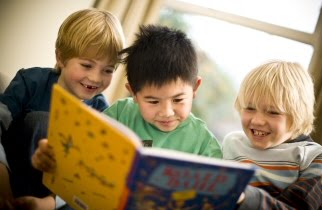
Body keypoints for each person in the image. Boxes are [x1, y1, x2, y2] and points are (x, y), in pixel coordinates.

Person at [32, 25, 222, 175]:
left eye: (178, 100)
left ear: (195, 87)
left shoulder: (205, 144)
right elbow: (80, 158)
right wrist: (51, 158)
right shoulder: (119, 114)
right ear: (133, 93)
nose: (166, 112)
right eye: (153, 101)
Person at [0, 8, 125, 210]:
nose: (95, 78)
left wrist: (48, 204)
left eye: (108, 70)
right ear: (60, 57)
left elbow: (87, 178)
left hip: (55, 199)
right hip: (11, 176)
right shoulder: (30, 82)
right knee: (42, 122)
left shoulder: (103, 112)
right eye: (86, 65)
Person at [222, 60, 322, 210]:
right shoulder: (232, 143)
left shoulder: (317, 158)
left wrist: (244, 197)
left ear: (297, 115)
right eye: (250, 108)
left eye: (273, 112)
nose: (257, 121)